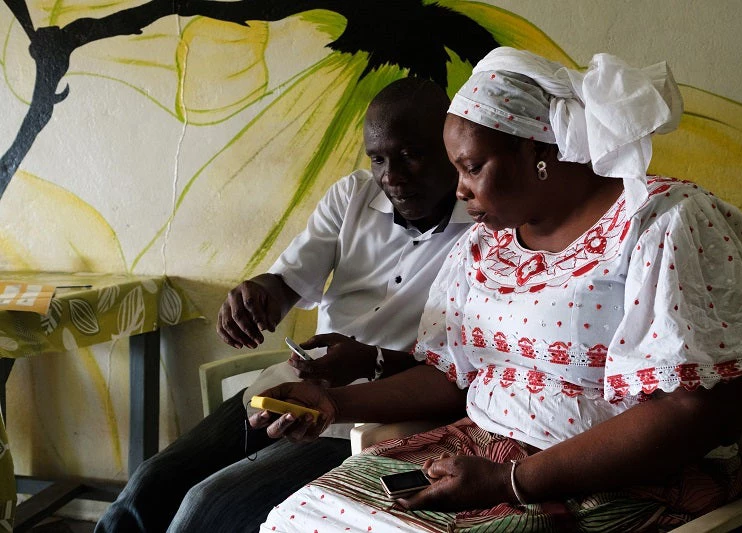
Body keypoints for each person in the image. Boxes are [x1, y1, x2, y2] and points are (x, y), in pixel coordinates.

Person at [259, 47, 742, 532]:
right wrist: (330, 403)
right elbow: (451, 376)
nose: (460, 188)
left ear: (539, 151)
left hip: (629, 479)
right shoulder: (484, 246)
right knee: (298, 519)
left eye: (471, 167)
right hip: (481, 453)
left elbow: (700, 413)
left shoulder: (665, 223)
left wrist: (513, 482)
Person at [95, 77, 473, 533]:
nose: (391, 175)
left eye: (411, 153)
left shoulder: (485, 229)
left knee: (208, 507)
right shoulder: (352, 195)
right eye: (378, 158)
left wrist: (368, 361)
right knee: (151, 483)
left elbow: (461, 373)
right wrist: (257, 295)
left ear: (451, 148)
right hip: (298, 384)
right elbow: (286, 282)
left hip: (379, 415)